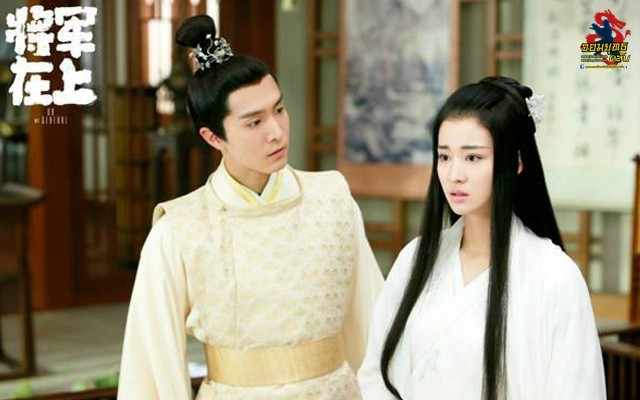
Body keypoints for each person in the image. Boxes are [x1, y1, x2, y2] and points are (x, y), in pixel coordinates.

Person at [117, 14, 383, 400]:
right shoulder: (180, 229)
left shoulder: (333, 200)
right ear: (213, 137)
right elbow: (151, 365)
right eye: (254, 122)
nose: (276, 131)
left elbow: (372, 323)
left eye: (279, 110)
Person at [357, 76, 606, 400]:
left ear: (515, 162)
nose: (454, 174)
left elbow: (577, 391)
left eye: (473, 157)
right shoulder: (416, 259)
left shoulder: (554, 276)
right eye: (444, 157)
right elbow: (375, 373)